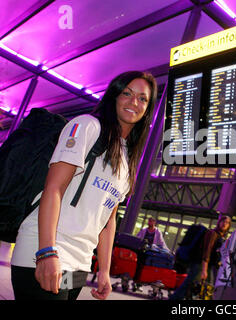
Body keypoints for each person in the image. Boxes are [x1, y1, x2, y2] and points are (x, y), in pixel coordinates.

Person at [10, 71, 158, 300]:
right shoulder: (88, 127)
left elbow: (108, 221)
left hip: (79, 266)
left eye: (142, 98)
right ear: (114, 96)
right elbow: (54, 188)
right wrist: (47, 253)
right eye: (126, 93)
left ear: (148, 108)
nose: (134, 102)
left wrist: (105, 271)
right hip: (43, 251)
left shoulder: (128, 160)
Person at [169, 215, 231, 300]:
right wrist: (204, 270)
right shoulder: (212, 233)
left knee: (202, 286)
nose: (224, 223)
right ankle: (174, 298)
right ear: (219, 222)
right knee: (190, 283)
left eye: (227, 222)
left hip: (207, 265)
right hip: (200, 264)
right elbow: (206, 251)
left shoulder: (220, 236)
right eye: (223, 221)